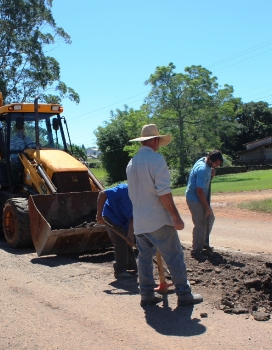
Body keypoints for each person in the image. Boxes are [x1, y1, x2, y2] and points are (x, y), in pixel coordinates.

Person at [126, 124, 202, 306]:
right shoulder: (156, 160)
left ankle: (146, 295)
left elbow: (132, 194)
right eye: (158, 140)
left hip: (140, 221)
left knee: (144, 258)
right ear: (154, 140)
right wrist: (175, 216)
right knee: (174, 256)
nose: (159, 143)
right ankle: (184, 294)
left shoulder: (131, 163)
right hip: (158, 220)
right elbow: (163, 192)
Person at [185, 150, 224, 261]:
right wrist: (206, 207)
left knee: (210, 218)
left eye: (218, 164)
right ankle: (196, 251)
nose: (216, 166)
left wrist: (211, 176)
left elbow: (204, 183)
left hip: (200, 197)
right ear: (210, 159)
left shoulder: (204, 160)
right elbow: (199, 191)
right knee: (200, 224)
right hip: (195, 199)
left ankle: (203, 243)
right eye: (216, 163)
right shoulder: (203, 169)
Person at [96, 183, 137, 279]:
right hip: (111, 215)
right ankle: (120, 270)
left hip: (124, 219)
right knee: (120, 241)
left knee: (128, 240)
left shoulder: (140, 197)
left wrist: (130, 233)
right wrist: (99, 215)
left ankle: (131, 266)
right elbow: (102, 194)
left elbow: (134, 216)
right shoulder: (124, 189)